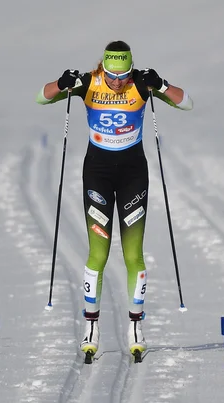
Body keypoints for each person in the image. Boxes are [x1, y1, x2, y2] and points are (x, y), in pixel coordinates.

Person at [36, 40, 193, 360]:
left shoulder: (142, 83)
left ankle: (136, 326)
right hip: (98, 175)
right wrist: (61, 83)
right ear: (102, 67)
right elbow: (42, 97)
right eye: (111, 74)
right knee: (99, 252)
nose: (117, 81)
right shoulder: (87, 83)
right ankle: (90, 327)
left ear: (131, 68)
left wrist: (161, 84)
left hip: (134, 174)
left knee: (134, 254)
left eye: (122, 75)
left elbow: (186, 102)